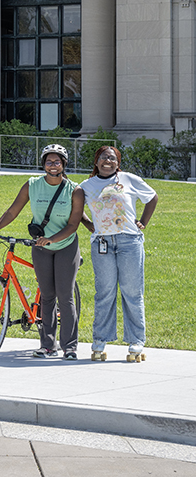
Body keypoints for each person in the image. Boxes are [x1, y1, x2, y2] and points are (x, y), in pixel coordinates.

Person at [0, 144, 89, 359]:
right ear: (43, 164)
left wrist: (51, 239)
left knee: (65, 296)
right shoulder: (32, 185)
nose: (53, 165)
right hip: (40, 248)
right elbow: (12, 211)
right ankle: (48, 345)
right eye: (49, 161)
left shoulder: (75, 190)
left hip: (66, 246)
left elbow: (73, 225)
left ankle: (70, 347)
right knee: (47, 296)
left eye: (57, 161)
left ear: (63, 164)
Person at [72, 146, 158, 362]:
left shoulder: (128, 179)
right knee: (104, 292)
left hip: (129, 241)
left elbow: (152, 197)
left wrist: (143, 222)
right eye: (103, 157)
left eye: (112, 158)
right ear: (96, 161)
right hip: (102, 244)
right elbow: (77, 209)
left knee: (132, 292)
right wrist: (90, 224)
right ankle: (100, 341)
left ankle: (136, 342)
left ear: (118, 163)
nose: (107, 161)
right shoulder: (86, 186)